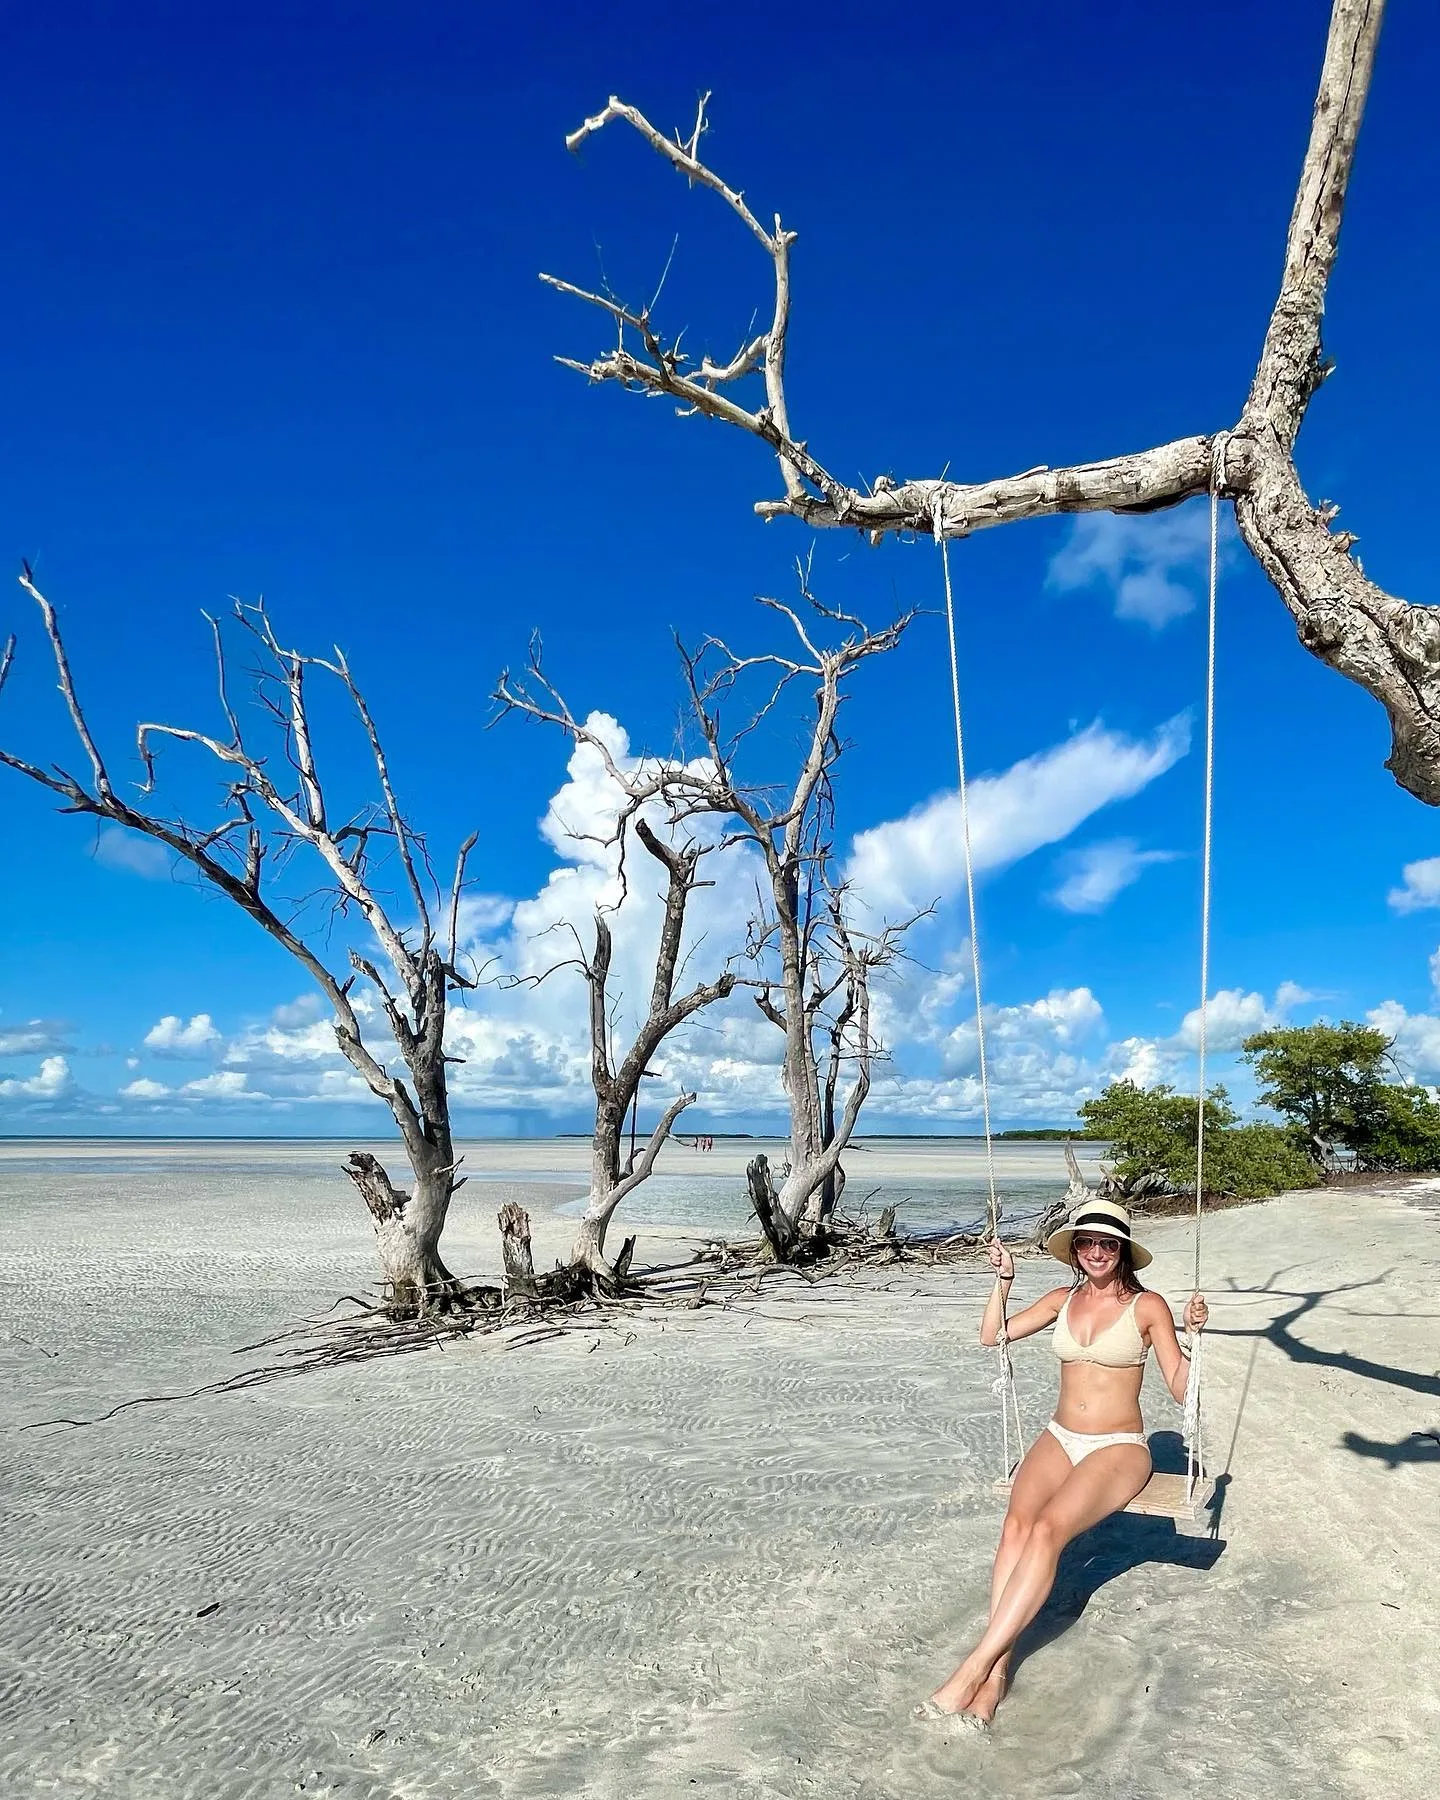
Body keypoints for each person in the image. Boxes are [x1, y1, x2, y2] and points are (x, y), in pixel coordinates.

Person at [924, 1197, 1208, 1727]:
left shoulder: (1149, 1307)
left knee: (1050, 1530)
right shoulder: (1061, 1298)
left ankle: (974, 1667)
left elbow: (1177, 1387)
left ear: (1122, 1250)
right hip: (1059, 1435)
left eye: (1107, 1243)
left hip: (1118, 1446)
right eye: (1086, 1242)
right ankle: (999, 1675)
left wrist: (1193, 1338)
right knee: (1016, 1526)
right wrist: (1003, 1282)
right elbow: (994, 1336)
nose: (1096, 1251)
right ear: (1074, 1250)